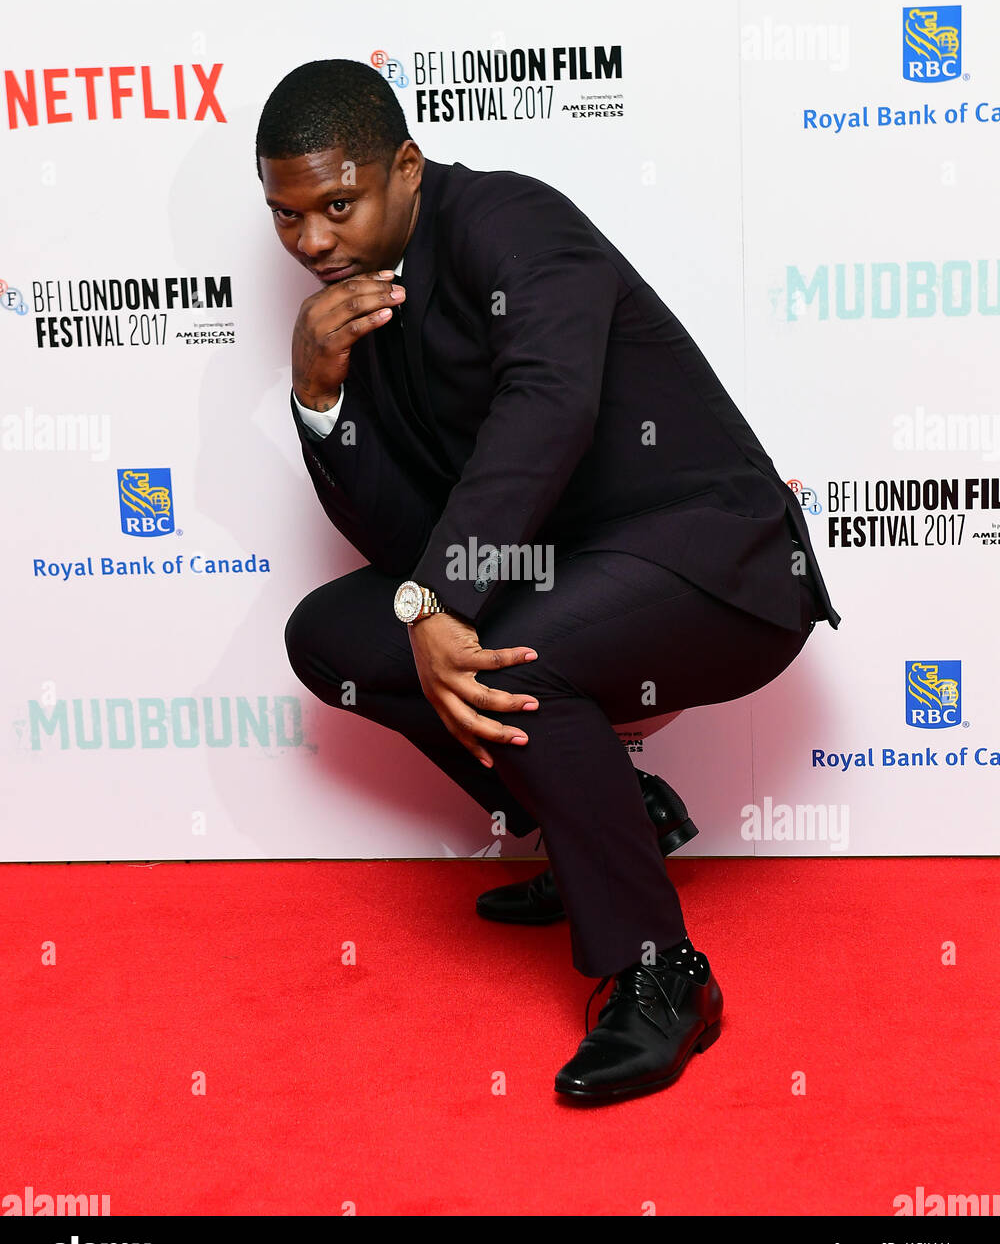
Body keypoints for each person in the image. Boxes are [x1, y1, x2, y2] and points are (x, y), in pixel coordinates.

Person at [256, 59, 840, 1103]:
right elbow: (401, 533)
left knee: (519, 653)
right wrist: (318, 394)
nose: (311, 243)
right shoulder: (363, 310)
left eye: (335, 205)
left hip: (717, 558)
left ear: (404, 167)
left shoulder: (513, 222)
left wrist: (440, 599)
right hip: (568, 569)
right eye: (286, 216)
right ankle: (609, 817)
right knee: (334, 635)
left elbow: (549, 406)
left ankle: (662, 972)